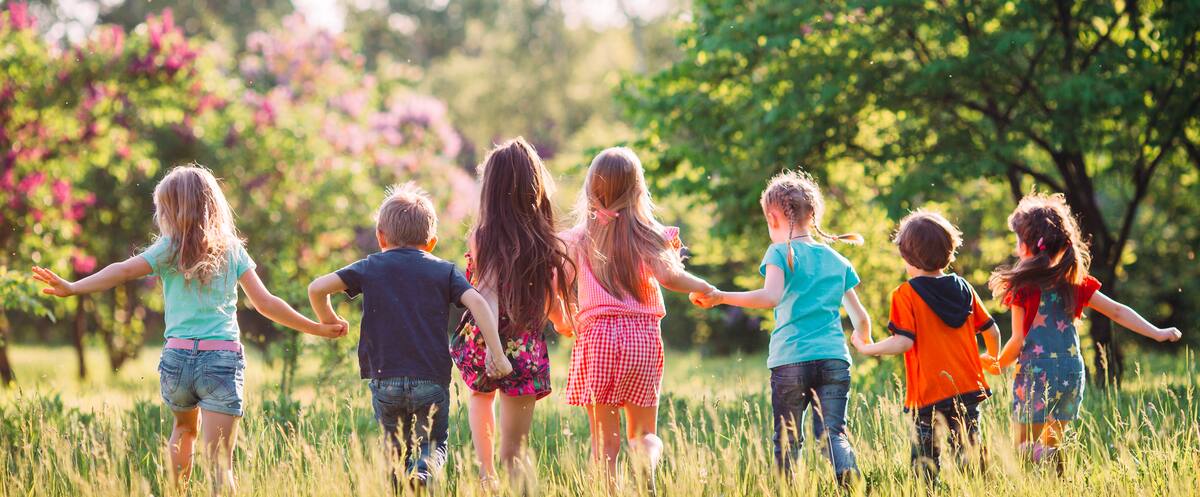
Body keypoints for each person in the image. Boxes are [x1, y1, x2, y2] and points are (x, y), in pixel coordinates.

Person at [32, 165, 345, 495]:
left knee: (183, 431)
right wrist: (317, 328)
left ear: (170, 210)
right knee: (220, 464)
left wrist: (73, 286)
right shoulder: (231, 250)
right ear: (212, 204)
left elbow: (122, 271)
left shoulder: (168, 249)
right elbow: (266, 303)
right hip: (221, 360)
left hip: (177, 359)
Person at [307, 182, 509, 487]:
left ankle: (401, 483)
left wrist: (329, 321)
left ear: (380, 236)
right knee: (432, 445)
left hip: (384, 377)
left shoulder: (369, 266)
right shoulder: (444, 270)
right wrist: (497, 353)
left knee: (394, 449)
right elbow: (478, 302)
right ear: (431, 243)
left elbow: (316, 288)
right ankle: (423, 474)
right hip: (431, 378)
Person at [692, 170, 868, 486]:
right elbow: (862, 318)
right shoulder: (838, 261)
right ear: (813, 215)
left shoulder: (779, 252)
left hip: (791, 360)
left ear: (773, 218)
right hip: (833, 359)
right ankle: (848, 476)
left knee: (788, 436)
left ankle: (786, 488)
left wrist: (720, 297)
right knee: (833, 433)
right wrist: (862, 339)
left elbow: (771, 296)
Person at [986, 193, 1182, 473]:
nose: (1017, 248)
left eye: (1018, 241)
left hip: (1035, 373)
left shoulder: (1023, 287)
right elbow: (1117, 311)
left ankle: (1039, 457)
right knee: (1052, 446)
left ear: (1030, 246)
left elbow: (1017, 341)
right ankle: (1056, 474)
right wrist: (1157, 332)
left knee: (1022, 448)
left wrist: (998, 365)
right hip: (1070, 373)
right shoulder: (1075, 283)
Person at [560, 147, 716, 489]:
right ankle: (646, 460)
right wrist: (706, 287)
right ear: (637, 189)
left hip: (597, 338)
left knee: (604, 447)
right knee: (644, 433)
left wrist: (562, 315)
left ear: (590, 188)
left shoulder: (578, 238)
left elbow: (552, 277)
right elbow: (671, 277)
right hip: (641, 338)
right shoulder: (649, 234)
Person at [449, 138, 575, 486]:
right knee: (514, 452)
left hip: (487, 342)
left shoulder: (483, 235)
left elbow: (485, 293)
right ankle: (498, 473)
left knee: (480, 397)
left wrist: (493, 349)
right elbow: (550, 300)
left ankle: (486, 473)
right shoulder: (545, 239)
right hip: (523, 348)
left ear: (491, 189)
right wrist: (564, 322)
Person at [852, 210, 1001, 481]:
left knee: (925, 461)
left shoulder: (905, 294)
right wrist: (991, 357)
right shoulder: (964, 287)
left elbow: (903, 341)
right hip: (967, 387)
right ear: (949, 250)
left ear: (906, 255)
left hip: (928, 394)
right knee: (971, 453)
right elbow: (992, 330)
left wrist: (867, 348)